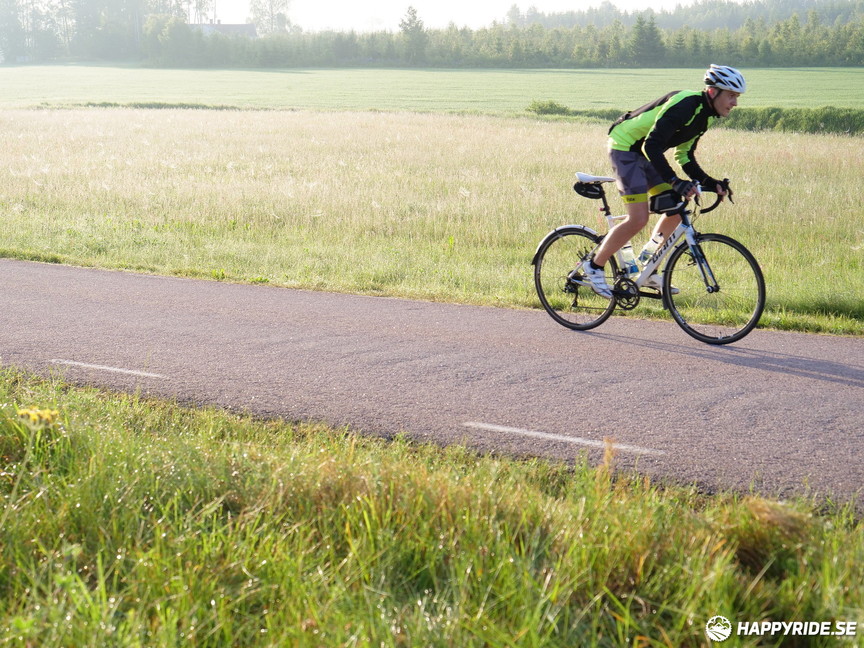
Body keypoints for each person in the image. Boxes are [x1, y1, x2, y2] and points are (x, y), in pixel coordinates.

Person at [583, 64, 745, 297]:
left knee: (675, 209)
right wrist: (674, 180)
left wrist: (710, 182)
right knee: (638, 218)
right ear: (713, 92)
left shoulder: (706, 117)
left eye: (736, 97)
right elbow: (652, 145)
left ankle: (647, 269)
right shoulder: (686, 104)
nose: (735, 103)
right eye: (731, 96)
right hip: (625, 146)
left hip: (646, 153)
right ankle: (594, 266)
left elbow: (684, 155)